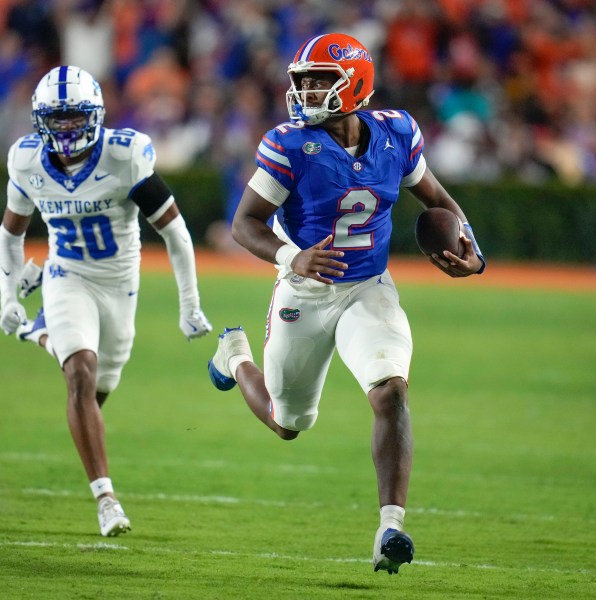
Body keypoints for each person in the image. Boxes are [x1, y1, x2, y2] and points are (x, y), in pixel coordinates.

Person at [206, 33, 485, 574]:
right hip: (305, 293)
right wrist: (293, 257)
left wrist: (472, 252)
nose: (306, 91)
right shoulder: (288, 144)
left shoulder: (396, 133)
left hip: (367, 288)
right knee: (287, 423)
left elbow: (437, 201)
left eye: (319, 80)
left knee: (391, 393)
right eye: (302, 81)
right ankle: (234, 355)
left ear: (353, 82)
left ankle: (390, 528)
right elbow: (244, 225)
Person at [0, 65, 212, 537]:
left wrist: (189, 303)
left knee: (98, 389)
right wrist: (6, 295)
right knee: (80, 373)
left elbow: (174, 232)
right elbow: (10, 233)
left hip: (120, 285)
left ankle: (38, 333)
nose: (68, 128)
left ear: (95, 116)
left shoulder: (125, 155)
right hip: (65, 275)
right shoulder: (27, 161)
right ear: (40, 121)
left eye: (76, 117)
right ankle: (106, 499)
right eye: (58, 119)